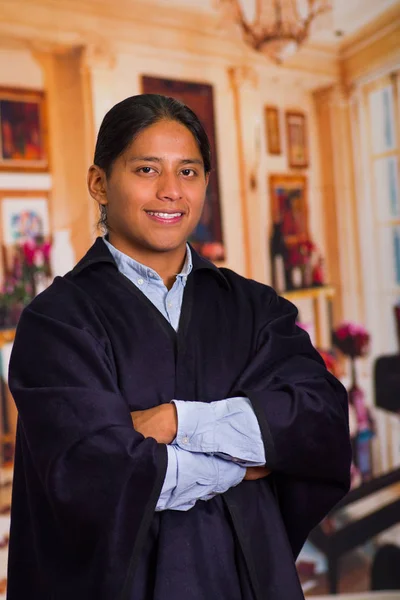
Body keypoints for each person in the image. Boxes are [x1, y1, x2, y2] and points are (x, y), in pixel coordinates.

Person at [7, 94, 351, 600]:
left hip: (253, 581)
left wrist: (176, 421)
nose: (170, 191)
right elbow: (98, 472)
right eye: (147, 169)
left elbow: (319, 417)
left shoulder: (254, 307)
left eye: (188, 172)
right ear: (99, 183)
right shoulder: (57, 322)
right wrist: (247, 459)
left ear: (205, 184)